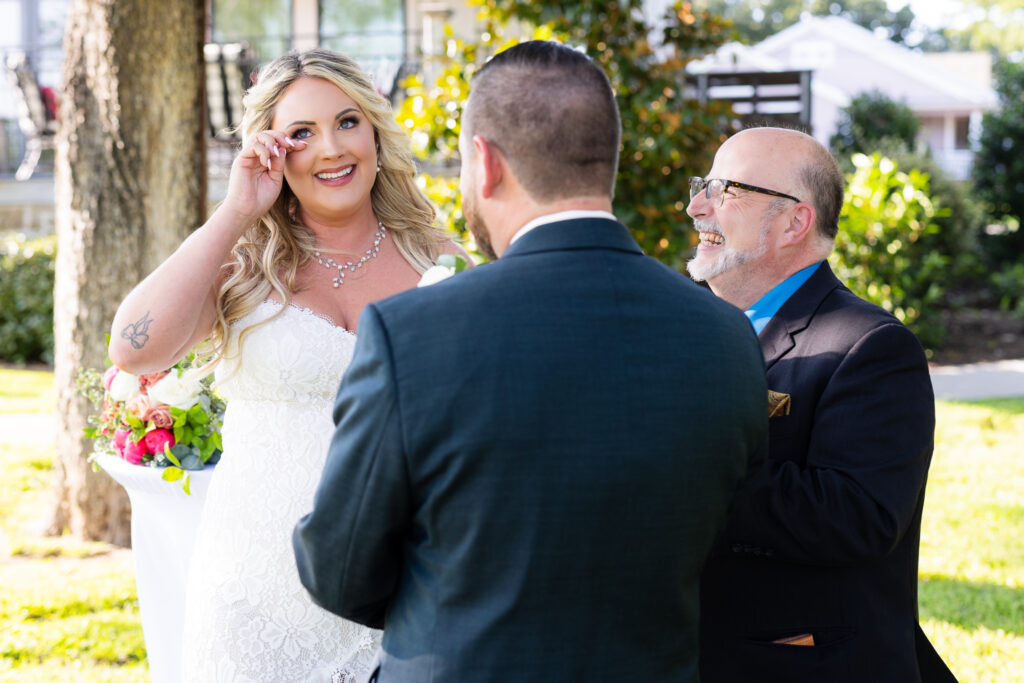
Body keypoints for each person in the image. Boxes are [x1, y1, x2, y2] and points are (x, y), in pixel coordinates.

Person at [292, 40, 768, 682]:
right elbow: (723, 530)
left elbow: (340, 570)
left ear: (483, 164)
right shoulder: (726, 335)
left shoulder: (412, 332)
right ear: (606, 161)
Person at [108, 48, 467, 682]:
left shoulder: (436, 257)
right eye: (301, 133)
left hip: (406, 591)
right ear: (272, 150)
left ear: (377, 135)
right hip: (257, 596)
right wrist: (237, 210)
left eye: (348, 122)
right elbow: (135, 348)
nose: (332, 148)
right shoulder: (242, 261)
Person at [686, 126, 956, 682]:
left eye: (724, 189)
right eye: (702, 186)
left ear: (795, 222)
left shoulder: (871, 346)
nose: (696, 207)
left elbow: (856, 517)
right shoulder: (682, 329)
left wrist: (680, 470)